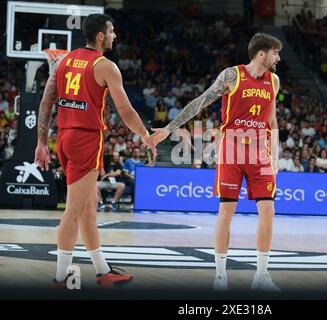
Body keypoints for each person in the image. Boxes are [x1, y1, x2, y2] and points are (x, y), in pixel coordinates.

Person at [150, 33, 282, 291]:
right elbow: (201, 103)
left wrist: (275, 156)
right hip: (232, 149)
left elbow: (272, 120)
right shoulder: (232, 75)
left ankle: (262, 276)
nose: (279, 57)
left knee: (268, 210)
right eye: (276, 52)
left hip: (260, 152)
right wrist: (170, 127)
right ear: (261, 54)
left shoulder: (274, 81)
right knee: (226, 212)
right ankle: (220, 276)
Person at [34, 14, 156, 288]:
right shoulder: (105, 66)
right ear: (100, 35)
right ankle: (60, 278)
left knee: (89, 208)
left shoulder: (64, 60)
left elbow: (46, 101)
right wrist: (146, 136)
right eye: (112, 31)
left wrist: (42, 141)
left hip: (64, 137)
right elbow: (125, 111)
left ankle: (103, 271)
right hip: (85, 139)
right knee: (74, 211)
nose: (115, 36)